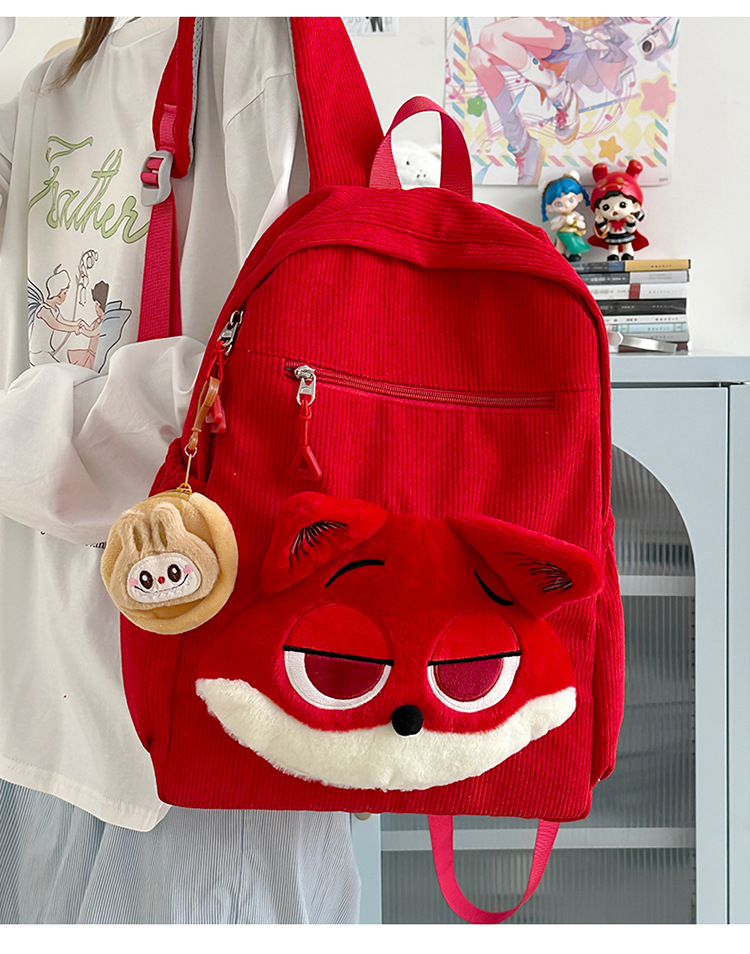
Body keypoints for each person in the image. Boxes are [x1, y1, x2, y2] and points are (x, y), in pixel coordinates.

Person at [0, 16, 360, 924]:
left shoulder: (253, 41)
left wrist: (24, 443)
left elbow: (282, 364)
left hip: (194, 688)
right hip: (59, 692)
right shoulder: (48, 81)